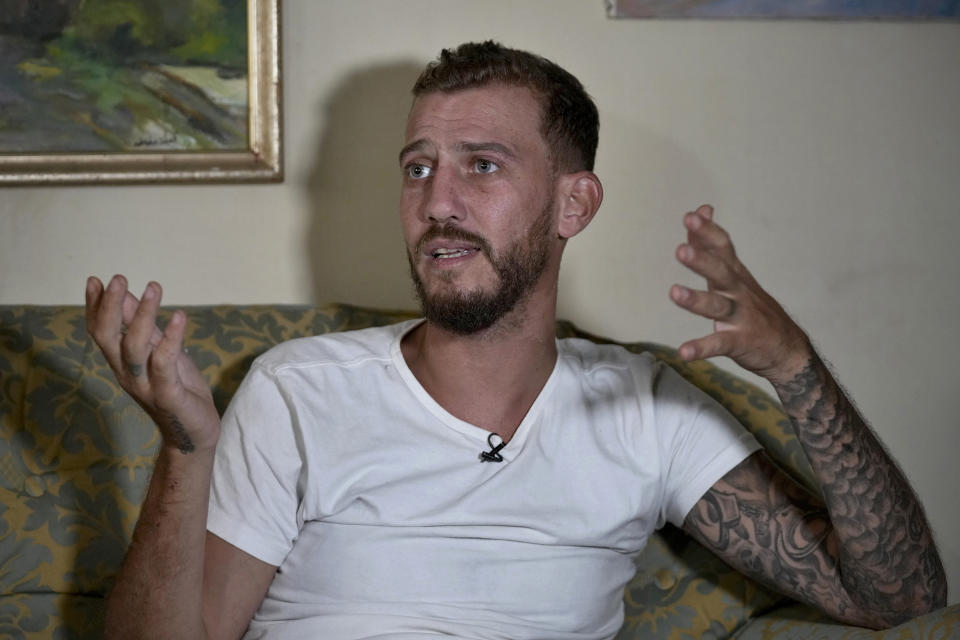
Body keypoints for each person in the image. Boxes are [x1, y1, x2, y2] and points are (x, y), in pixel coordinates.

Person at [86, 41, 946, 640]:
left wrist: (797, 368)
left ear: (574, 205)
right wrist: (188, 450)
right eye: (418, 166)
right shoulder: (298, 388)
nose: (438, 201)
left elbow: (897, 598)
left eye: (482, 165)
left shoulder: (645, 410)